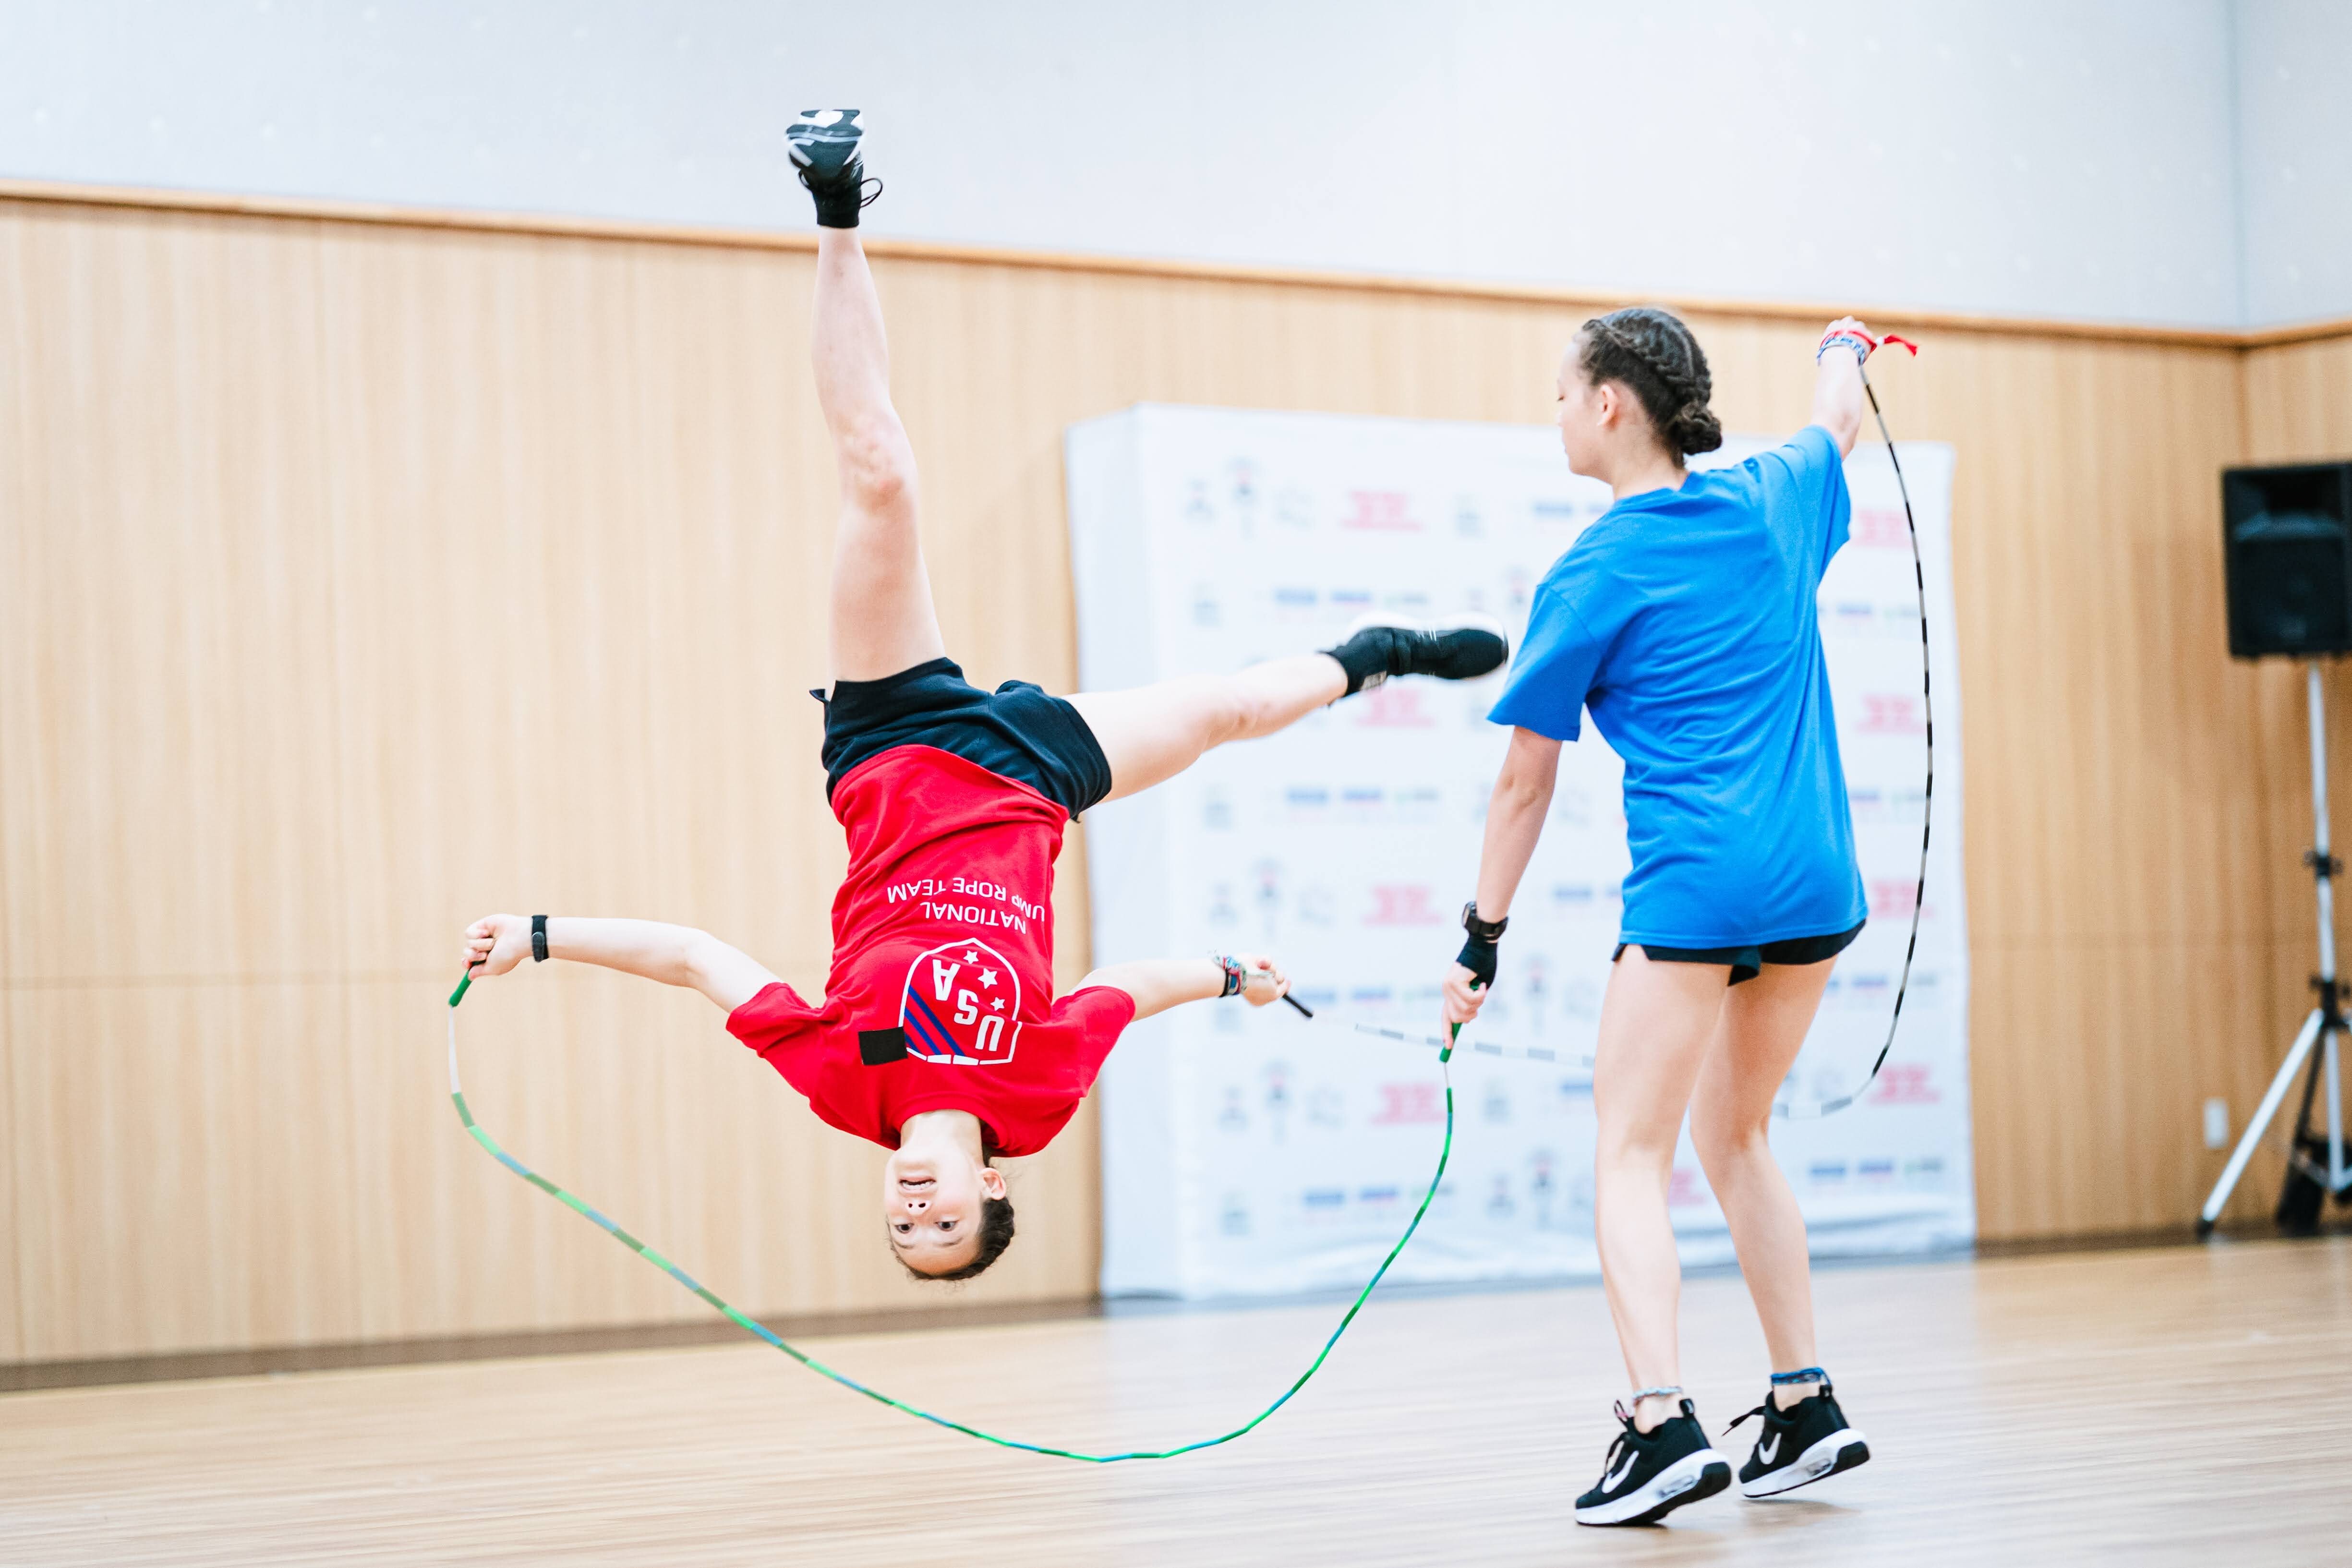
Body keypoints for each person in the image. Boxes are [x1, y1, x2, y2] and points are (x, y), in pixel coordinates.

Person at [461, 110, 1507, 1283]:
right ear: (990, 1187)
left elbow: (702, 959)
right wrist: (1229, 976)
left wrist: (544, 936)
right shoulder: (1038, 1099)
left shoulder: (841, 1086)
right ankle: (1375, 653)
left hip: (889, 745)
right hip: (1035, 781)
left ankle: (836, 202)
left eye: (903, 1230)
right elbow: (1122, 991)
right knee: (1223, 714)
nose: (917, 1209)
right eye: (944, 1224)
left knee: (881, 478)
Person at [1441, 306, 1885, 1524]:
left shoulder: (1593, 568)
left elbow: (1525, 781)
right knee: (1735, 1136)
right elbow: (1833, 417)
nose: (1552, 411)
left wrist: (1479, 938)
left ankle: (1657, 1422)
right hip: (1814, 882)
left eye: (1558, 391)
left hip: (1698, 885)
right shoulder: (1775, 495)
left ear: (1609, 405)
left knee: (1627, 1151)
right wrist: (1840, 341)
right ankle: (1802, 1404)